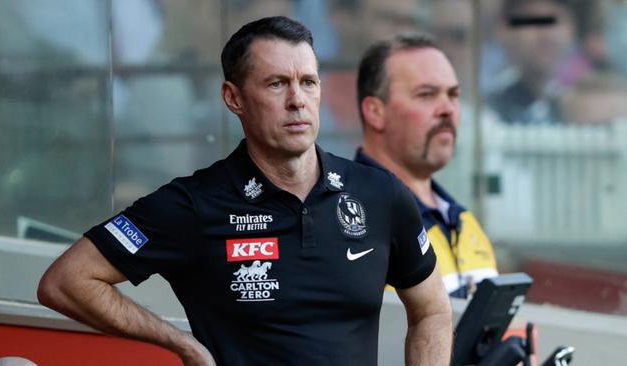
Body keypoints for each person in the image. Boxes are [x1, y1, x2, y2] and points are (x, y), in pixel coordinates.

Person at [37, 16, 452, 365]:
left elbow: (432, 307)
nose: (297, 100)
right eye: (276, 84)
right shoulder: (195, 204)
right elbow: (66, 281)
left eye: (308, 82)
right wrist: (180, 342)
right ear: (233, 98)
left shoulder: (378, 193)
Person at [354, 33, 498, 299]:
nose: (447, 109)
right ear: (375, 112)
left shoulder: (463, 220)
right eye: (426, 94)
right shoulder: (352, 224)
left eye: (453, 95)